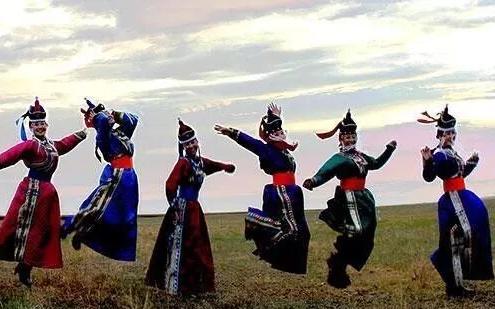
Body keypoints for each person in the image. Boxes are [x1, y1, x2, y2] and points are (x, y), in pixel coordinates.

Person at [0, 98, 87, 287]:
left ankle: (25, 266)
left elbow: (65, 144)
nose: (40, 127)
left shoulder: (51, 145)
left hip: (47, 194)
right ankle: (24, 266)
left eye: (42, 123)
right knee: (26, 229)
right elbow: (13, 153)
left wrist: (82, 134)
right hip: (31, 192)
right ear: (31, 127)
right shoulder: (31, 145)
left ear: (47, 125)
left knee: (44, 232)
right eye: (36, 124)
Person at [302, 110, 397, 288]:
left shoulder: (361, 156)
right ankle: (338, 264)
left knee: (368, 231)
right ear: (341, 139)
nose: (351, 139)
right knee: (357, 230)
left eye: (353, 136)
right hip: (349, 196)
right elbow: (326, 171)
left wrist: (389, 150)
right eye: (347, 137)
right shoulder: (339, 158)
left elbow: (376, 164)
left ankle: (340, 263)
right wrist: (313, 181)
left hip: (364, 198)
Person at [214, 102, 310, 274]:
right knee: (292, 229)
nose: (281, 135)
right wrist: (231, 132)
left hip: (294, 191)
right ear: (270, 137)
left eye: (281, 132)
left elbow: (277, 131)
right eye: (276, 133)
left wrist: (276, 116)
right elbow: (250, 142)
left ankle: (293, 265)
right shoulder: (266, 149)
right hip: (281, 191)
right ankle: (255, 221)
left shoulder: (283, 150)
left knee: (304, 231)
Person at [146, 119, 235, 296]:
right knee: (184, 246)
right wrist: (175, 207)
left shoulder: (199, 162)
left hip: (195, 209)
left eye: (193, 142)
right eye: (187, 144)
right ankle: (177, 286)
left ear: (197, 141)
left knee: (197, 245)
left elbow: (212, 165)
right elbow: (170, 184)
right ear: (183, 147)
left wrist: (226, 167)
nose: (192, 146)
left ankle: (196, 285)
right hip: (183, 209)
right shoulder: (184, 163)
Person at [419, 105, 494, 297]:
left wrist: (471, 162)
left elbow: (460, 173)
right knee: (456, 239)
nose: (450, 136)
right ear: (439, 135)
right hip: (453, 200)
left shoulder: (451, 153)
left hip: (462, 195)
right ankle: (454, 285)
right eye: (446, 133)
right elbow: (430, 177)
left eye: (452, 132)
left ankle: (457, 283)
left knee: (465, 236)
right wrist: (427, 162)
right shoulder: (440, 154)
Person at [61, 99, 139, 261]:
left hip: (129, 177)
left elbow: (133, 120)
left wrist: (114, 114)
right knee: (98, 207)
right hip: (116, 175)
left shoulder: (121, 133)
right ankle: (69, 227)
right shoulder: (104, 136)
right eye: (104, 115)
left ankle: (86, 234)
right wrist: (97, 115)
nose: (107, 116)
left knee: (124, 217)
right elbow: (102, 122)